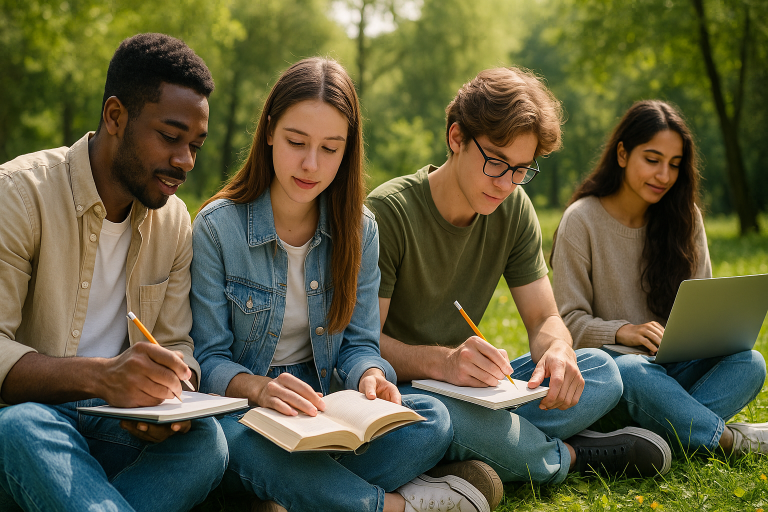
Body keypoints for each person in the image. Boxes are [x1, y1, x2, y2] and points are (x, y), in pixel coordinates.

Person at [190, 57, 497, 512]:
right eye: (296, 141)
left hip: (326, 407)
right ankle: (395, 506)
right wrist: (257, 389)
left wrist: (372, 376)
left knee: (432, 419)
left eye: (330, 148)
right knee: (229, 443)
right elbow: (208, 358)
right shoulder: (217, 228)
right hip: (248, 414)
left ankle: (286, 496)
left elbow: (358, 345)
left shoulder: (360, 229)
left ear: (348, 148)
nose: (310, 164)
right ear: (270, 131)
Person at [367, 67, 673, 486]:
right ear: (456, 138)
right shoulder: (389, 212)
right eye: (496, 162)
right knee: (445, 419)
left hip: (470, 388)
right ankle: (570, 456)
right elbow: (363, 343)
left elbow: (545, 318)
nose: (507, 183)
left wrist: (559, 352)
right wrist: (445, 362)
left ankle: (478, 453)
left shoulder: (513, 209)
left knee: (601, 369)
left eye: (521, 169)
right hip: (407, 394)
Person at [0, 33, 228, 512]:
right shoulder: (19, 196)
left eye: (195, 145)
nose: (185, 161)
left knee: (206, 444)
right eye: (170, 137)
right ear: (115, 117)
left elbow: (177, 343)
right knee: (17, 429)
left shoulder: (174, 222)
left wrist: (172, 388)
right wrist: (103, 378)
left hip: (114, 421)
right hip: (32, 422)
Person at [551, 99, 767, 457]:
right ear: (622, 154)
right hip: (615, 380)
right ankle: (727, 440)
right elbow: (565, 323)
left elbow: (703, 309)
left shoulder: (686, 218)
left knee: (750, 363)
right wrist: (624, 331)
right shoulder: (581, 220)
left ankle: (654, 438)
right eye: (652, 160)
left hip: (672, 373)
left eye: (674, 165)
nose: (664, 176)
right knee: (634, 370)